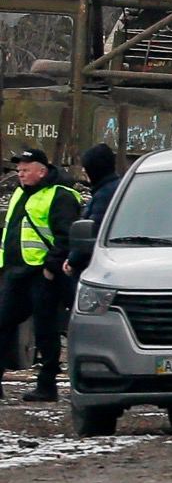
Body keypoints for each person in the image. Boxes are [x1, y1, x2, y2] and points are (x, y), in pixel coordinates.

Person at [0, 148, 81, 401]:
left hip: (41, 274)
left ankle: (47, 384)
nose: (20, 174)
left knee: (45, 329)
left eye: (25, 170)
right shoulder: (19, 194)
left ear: (42, 171)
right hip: (16, 272)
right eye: (19, 170)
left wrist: (50, 267)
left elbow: (67, 236)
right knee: (3, 324)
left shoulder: (60, 195)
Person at [63, 143, 120, 278]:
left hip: (95, 267)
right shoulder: (117, 188)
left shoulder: (103, 196)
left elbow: (91, 232)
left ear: (94, 170)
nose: (84, 172)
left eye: (86, 169)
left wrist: (73, 261)